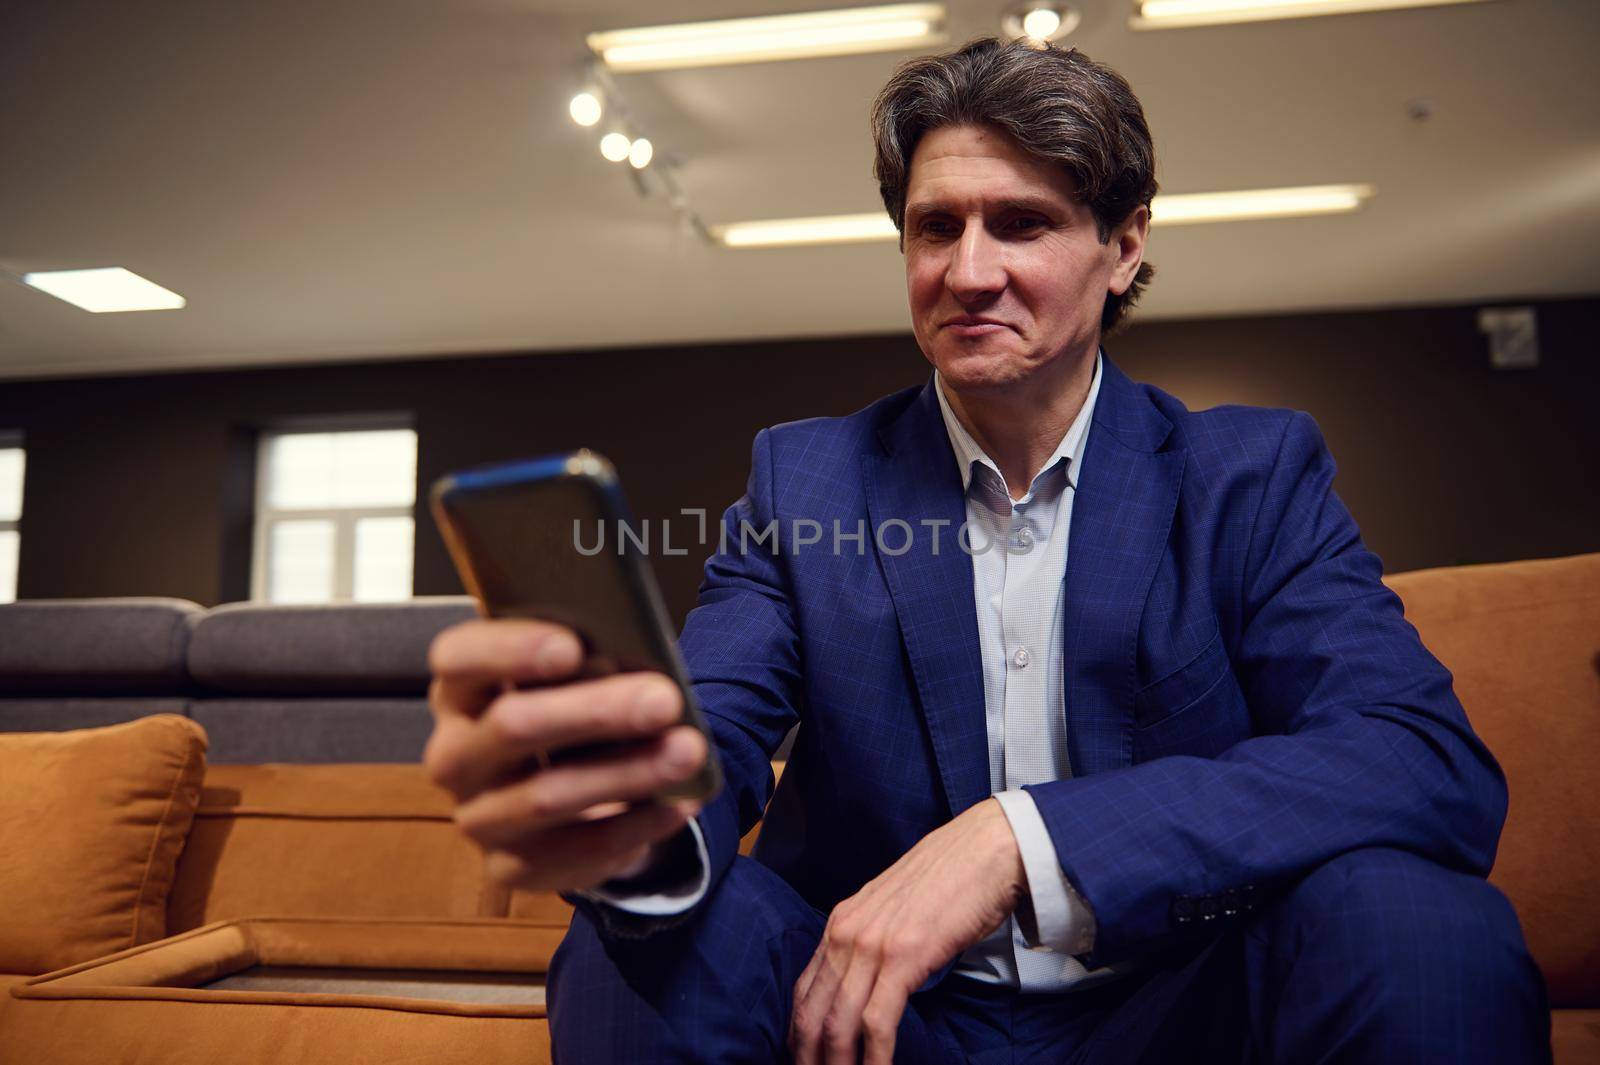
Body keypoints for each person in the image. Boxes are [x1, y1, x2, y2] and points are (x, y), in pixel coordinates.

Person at [424, 38, 1551, 1064]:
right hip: (879, 1020)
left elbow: (1419, 760)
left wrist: (1021, 841)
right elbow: (717, 721)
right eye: (934, 227)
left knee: (1422, 921)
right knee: (632, 947)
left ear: (1122, 249)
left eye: (1022, 224)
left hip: (1180, 1004)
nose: (967, 272)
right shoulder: (805, 479)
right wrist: (630, 817)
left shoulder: (1247, 476)